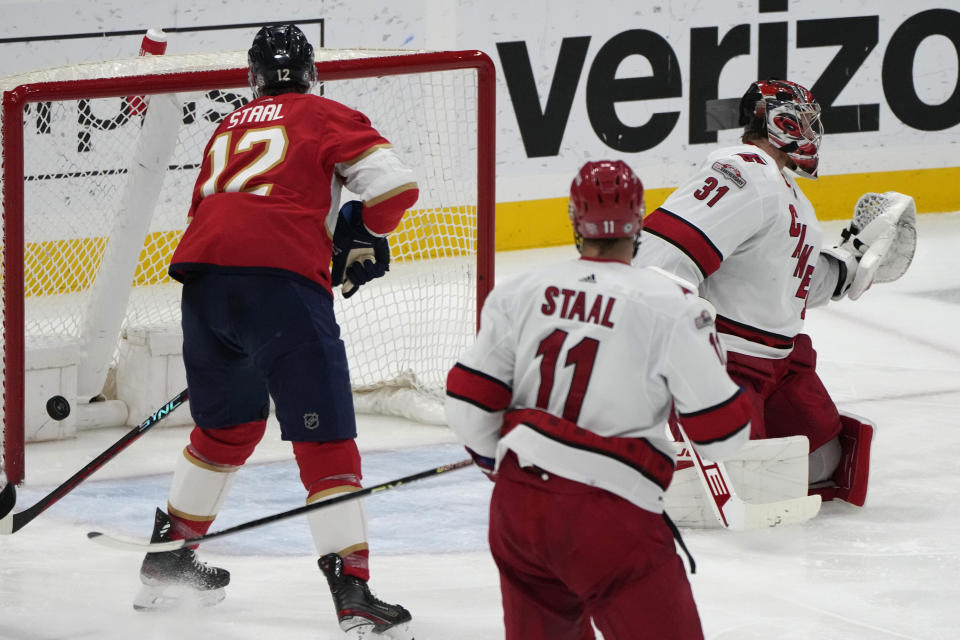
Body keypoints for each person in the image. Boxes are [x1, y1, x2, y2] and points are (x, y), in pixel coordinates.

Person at [133, 24, 418, 639]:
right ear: (312, 72)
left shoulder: (228, 125)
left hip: (204, 285)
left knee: (226, 427)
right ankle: (354, 592)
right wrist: (362, 231)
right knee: (327, 440)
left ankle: (167, 560)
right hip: (280, 287)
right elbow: (395, 188)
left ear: (253, 77)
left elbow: (218, 210)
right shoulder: (325, 113)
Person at [444, 160, 751, 640]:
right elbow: (723, 436)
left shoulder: (521, 291)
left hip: (518, 507)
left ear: (573, 219)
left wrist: (504, 466)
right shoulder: (670, 305)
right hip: (611, 517)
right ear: (639, 221)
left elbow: (467, 403)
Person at [633, 78, 911, 507]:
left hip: (780, 365)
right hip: (727, 362)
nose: (813, 132)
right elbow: (662, 250)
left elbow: (791, 280)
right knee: (747, 485)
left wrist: (849, 265)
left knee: (824, 460)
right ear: (780, 122)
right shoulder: (741, 170)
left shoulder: (789, 193)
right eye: (805, 121)